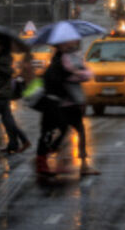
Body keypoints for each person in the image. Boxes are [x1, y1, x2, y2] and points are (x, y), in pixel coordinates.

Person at [36, 40, 99, 177]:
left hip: (72, 103)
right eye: (66, 43)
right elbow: (67, 76)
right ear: (59, 45)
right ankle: (46, 159)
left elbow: (86, 74)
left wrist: (77, 73)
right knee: (57, 131)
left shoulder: (72, 57)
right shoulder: (58, 61)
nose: (70, 44)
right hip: (59, 104)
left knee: (77, 132)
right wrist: (75, 74)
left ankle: (82, 164)